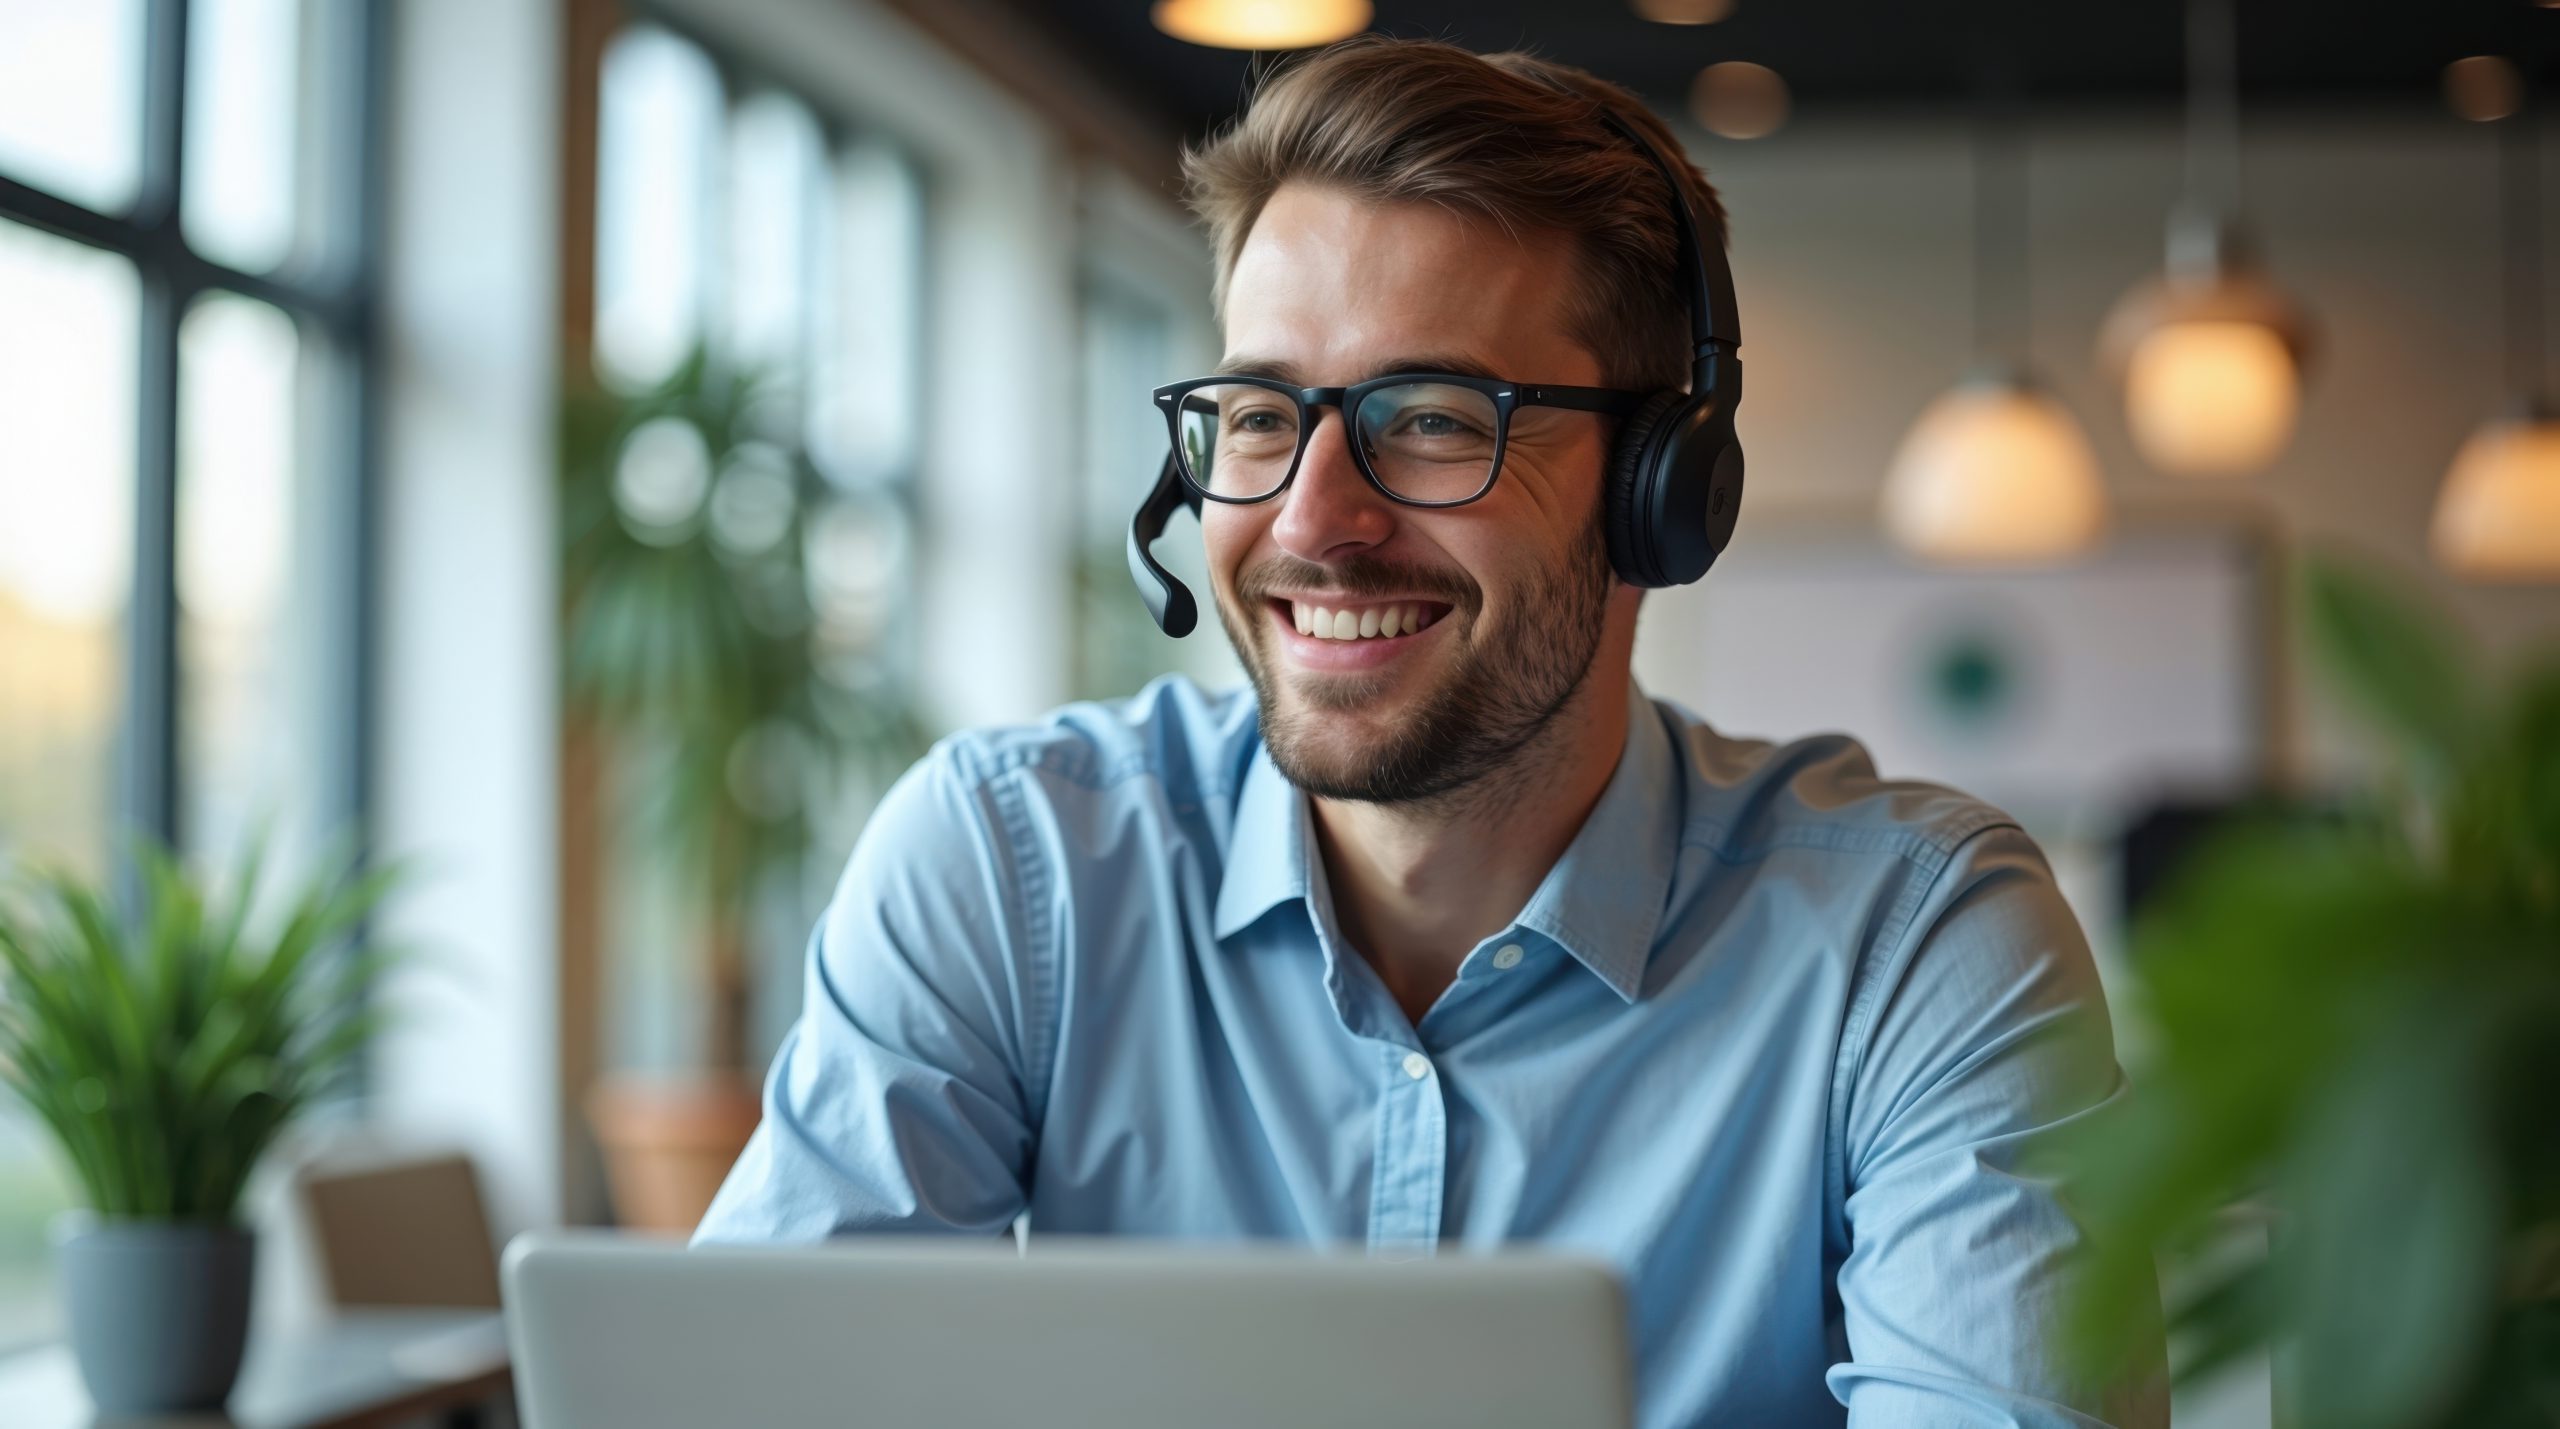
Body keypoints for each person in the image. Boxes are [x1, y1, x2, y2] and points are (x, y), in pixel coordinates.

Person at [694, 34, 2166, 1428]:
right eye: (1259, 414)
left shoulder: (1912, 941)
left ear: (1658, 488)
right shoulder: (1015, 865)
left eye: (1436, 416)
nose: (1312, 521)